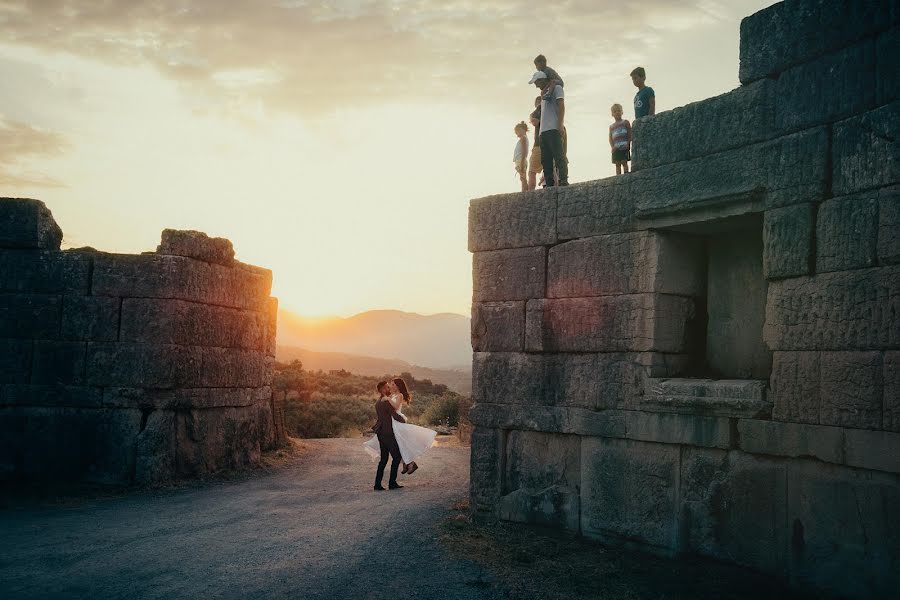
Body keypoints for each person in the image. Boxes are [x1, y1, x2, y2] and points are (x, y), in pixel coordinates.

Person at [363, 377, 436, 479]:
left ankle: (408, 463)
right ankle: (408, 463)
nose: (391, 386)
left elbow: (396, 407)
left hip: (396, 421)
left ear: (398, 386)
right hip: (392, 421)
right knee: (399, 445)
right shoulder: (392, 395)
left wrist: (388, 399)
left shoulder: (400, 395)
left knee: (401, 444)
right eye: (391, 385)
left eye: (393, 384)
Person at [530, 71, 568, 187]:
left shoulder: (556, 88)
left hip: (553, 128)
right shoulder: (544, 93)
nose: (536, 85)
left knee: (559, 156)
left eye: (536, 82)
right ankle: (549, 185)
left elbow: (561, 105)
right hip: (543, 132)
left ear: (542, 79)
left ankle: (563, 180)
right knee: (546, 161)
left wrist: (560, 124)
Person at [366, 380, 406, 490]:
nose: (389, 389)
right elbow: (395, 416)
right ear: (383, 389)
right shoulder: (386, 402)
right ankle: (392, 483)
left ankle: (377, 484)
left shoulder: (378, 402)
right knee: (397, 457)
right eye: (387, 387)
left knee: (383, 459)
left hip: (380, 432)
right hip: (388, 433)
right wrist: (404, 423)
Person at [609, 103, 632, 175]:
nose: (617, 113)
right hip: (616, 147)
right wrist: (612, 147)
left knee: (624, 162)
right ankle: (618, 177)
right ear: (612, 114)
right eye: (615, 111)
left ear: (622, 112)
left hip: (624, 146)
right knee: (617, 164)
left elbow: (630, 133)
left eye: (619, 111)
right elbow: (610, 138)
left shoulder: (625, 122)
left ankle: (626, 175)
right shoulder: (611, 126)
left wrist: (628, 143)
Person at [528, 96, 543, 190]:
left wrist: (539, 106)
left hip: (538, 145)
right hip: (548, 143)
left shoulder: (539, 111)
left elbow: (533, 120)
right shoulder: (550, 111)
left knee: (531, 172)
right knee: (549, 169)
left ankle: (530, 193)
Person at [513, 121, 529, 191]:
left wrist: (522, 163)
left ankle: (524, 191)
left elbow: (524, 151)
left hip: (521, 160)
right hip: (519, 160)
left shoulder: (523, 138)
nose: (517, 134)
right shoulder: (523, 138)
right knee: (522, 177)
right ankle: (525, 191)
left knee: (523, 178)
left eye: (517, 132)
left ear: (522, 130)